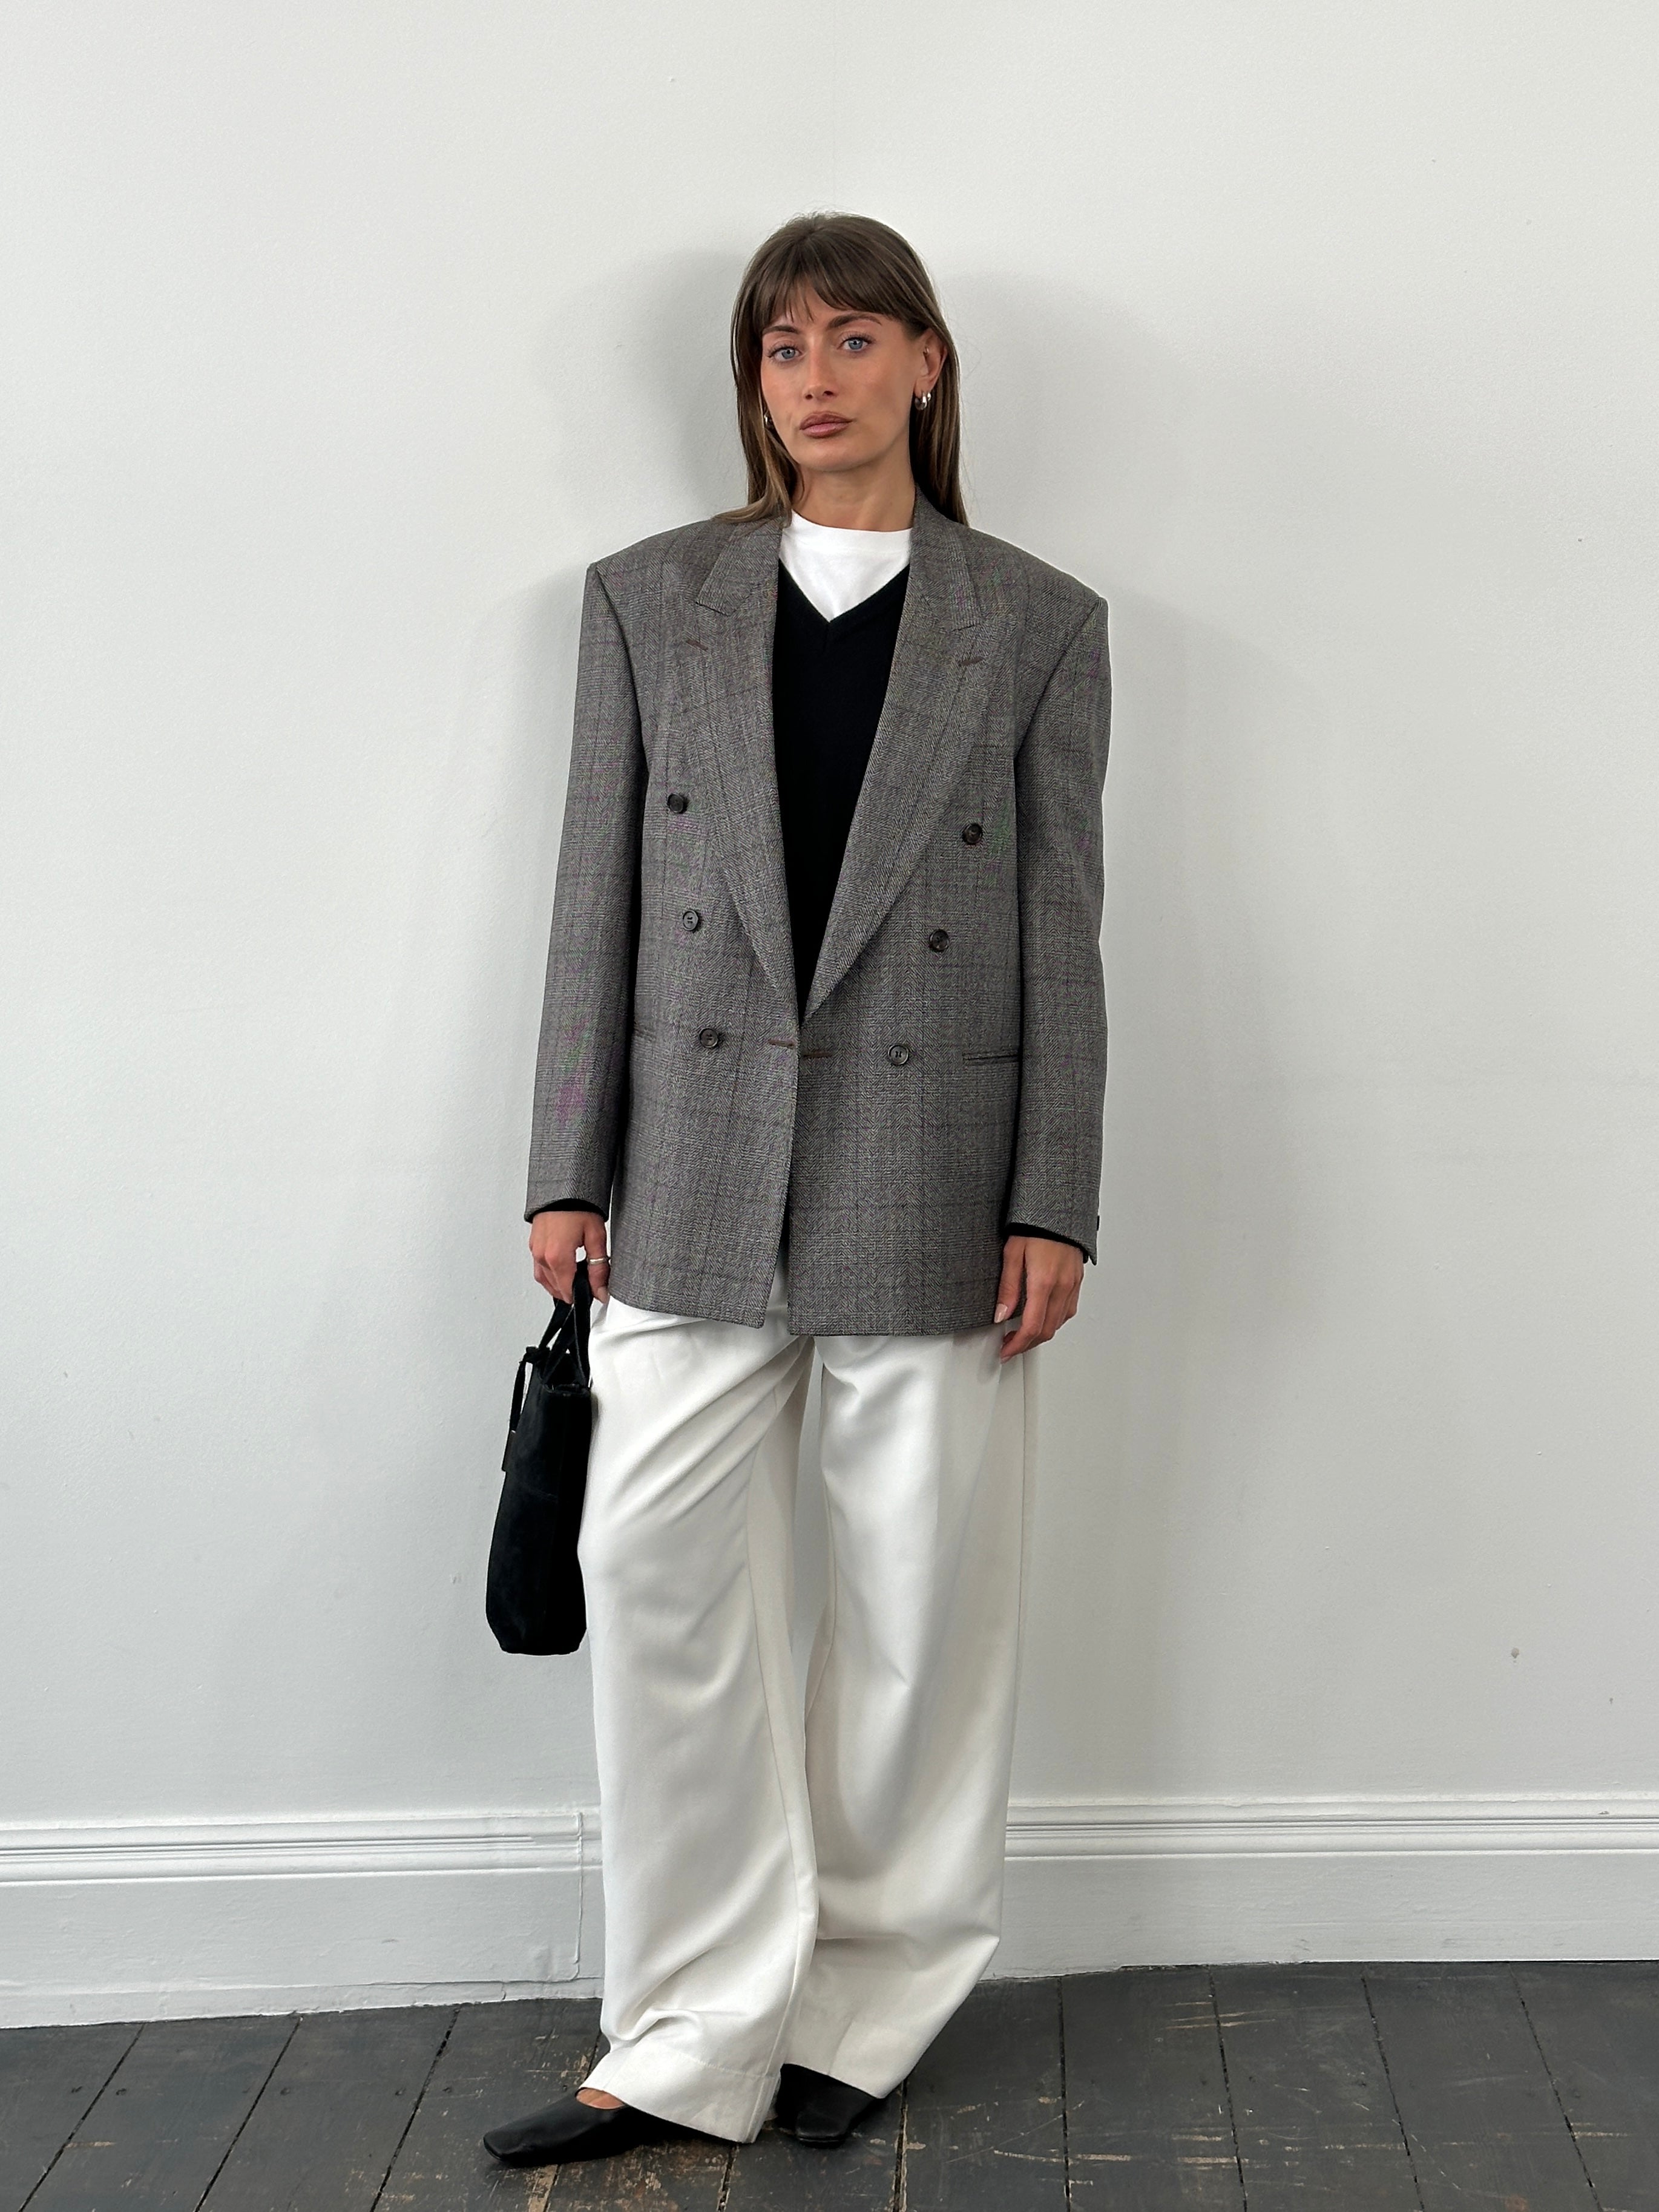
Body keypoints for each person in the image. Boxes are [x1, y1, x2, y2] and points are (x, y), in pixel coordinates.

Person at [484, 211, 1111, 2169]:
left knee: (923, 1613)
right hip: (688, 1164)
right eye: (782, 346)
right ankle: (687, 2026)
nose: (816, 377)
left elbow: (1064, 929)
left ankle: (871, 1999)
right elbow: (589, 902)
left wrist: (1056, 1193)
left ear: (927, 362)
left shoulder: (1038, 621)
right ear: (751, 380)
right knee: (655, 1580)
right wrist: (564, 1159)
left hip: (939, 1178)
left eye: (854, 338)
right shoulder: (648, 598)